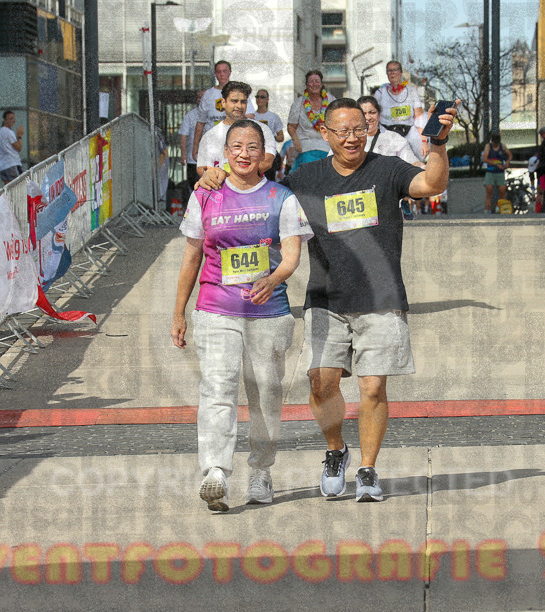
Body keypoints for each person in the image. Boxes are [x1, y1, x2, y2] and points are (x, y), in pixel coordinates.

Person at [199, 97, 458, 501]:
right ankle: (336, 451)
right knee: (321, 384)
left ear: (368, 130)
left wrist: (438, 145)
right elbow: (259, 194)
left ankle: (368, 470)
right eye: (342, 131)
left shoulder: (387, 169)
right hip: (325, 297)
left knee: (373, 389)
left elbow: (432, 184)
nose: (352, 138)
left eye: (359, 129)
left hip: (381, 296)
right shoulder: (305, 178)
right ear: (325, 134)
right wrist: (214, 178)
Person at [172, 120, 312, 511]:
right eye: (236, 147)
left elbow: (292, 255)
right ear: (225, 153)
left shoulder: (281, 197)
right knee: (218, 387)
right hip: (216, 308)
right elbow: (191, 257)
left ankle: (261, 471)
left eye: (253, 147)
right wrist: (178, 312)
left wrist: (275, 277)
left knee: (265, 393)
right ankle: (215, 471)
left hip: (269, 311)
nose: (244, 154)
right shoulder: (205, 197)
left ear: (264, 155)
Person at [195, 81, 275, 177]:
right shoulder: (210, 135)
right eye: (234, 101)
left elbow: (267, 161)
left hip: (254, 189)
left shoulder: (262, 130)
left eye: (243, 102)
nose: (239, 106)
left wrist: (238, 181)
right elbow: (202, 168)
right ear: (223, 102)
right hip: (221, 189)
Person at [191, 61, 256, 161]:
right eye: (218, 72)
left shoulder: (239, 92)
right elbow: (200, 122)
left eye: (225, 71)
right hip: (212, 145)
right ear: (215, 74)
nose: (222, 75)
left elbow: (250, 116)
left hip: (234, 143)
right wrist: (195, 147)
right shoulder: (208, 94)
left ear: (230, 72)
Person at [373, 60, 427, 160]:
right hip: (387, 131)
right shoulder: (380, 93)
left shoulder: (411, 91)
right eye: (389, 71)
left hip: (409, 131)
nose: (392, 73)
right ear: (387, 74)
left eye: (395, 70)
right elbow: (374, 115)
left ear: (401, 72)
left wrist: (424, 141)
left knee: (419, 156)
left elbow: (419, 116)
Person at [288, 70, 332, 171]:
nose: (314, 84)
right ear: (306, 84)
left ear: (321, 84)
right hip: (305, 148)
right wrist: (296, 141)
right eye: (311, 81)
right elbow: (291, 126)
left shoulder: (331, 100)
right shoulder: (298, 103)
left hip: (327, 147)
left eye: (317, 81)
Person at [178, 90, 205, 189]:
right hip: (193, 160)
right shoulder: (190, 115)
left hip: (211, 160)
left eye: (203, 97)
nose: (200, 100)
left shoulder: (214, 114)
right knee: (194, 187)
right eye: (199, 97)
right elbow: (183, 135)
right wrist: (183, 154)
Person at [482, 132, 512, 213]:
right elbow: (485, 159)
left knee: (502, 192)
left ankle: (502, 210)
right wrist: (496, 164)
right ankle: (487, 211)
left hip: (500, 172)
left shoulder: (502, 146)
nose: (495, 144)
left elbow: (509, 154)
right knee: (489, 193)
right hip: (490, 172)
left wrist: (507, 162)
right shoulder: (488, 146)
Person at [0, 110, 25, 184]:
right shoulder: (9, 132)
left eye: (13, 118)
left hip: (3, 166)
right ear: (4, 120)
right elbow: (18, 148)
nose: (13, 120)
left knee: (8, 190)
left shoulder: (1, 131)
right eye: (10, 119)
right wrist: (19, 136)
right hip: (12, 164)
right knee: (19, 186)